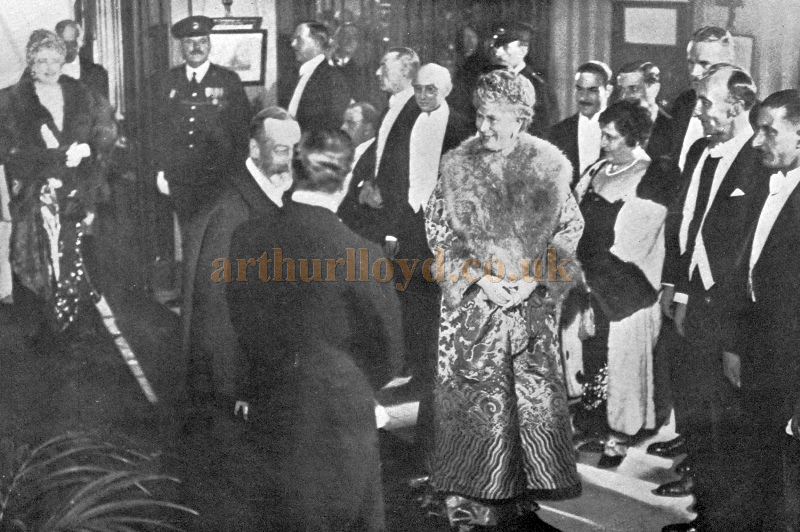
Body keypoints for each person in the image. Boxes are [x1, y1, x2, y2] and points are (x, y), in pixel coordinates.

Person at [424, 69, 583, 530]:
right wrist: (480, 279)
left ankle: (516, 496)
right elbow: (438, 233)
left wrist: (536, 280)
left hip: (529, 310)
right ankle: (469, 502)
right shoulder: (456, 166)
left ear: (522, 118)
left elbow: (570, 230)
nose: (484, 127)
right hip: (473, 310)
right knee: (477, 406)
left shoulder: (550, 164)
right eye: (479, 116)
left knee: (523, 406)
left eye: (495, 118)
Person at [226, 129, 404, 530]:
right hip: (339, 414)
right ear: (345, 181)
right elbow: (391, 353)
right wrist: (351, 382)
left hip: (270, 403)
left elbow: (239, 318)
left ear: (294, 171)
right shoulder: (361, 252)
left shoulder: (248, 237)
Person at [660, 64, 769, 531]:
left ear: (739, 105)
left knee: (727, 427)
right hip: (688, 300)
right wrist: (673, 284)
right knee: (697, 420)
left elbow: (748, 249)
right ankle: (704, 514)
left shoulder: (760, 158)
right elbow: (683, 221)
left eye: (707, 102)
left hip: (726, 313)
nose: (698, 112)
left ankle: (724, 520)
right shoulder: (703, 149)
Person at [181, 107, 300, 433]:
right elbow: (217, 315)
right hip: (239, 392)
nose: (290, 159)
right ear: (253, 149)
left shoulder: (277, 194)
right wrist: (242, 387)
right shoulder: (229, 213)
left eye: (295, 149)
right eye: (280, 149)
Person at [572, 100, 676, 467]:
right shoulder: (596, 170)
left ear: (634, 138)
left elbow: (637, 239)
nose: (603, 143)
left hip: (627, 285)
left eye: (611, 136)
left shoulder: (656, 175)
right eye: (602, 133)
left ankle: (621, 433)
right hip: (589, 279)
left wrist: (593, 269)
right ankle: (594, 425)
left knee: (623, 362)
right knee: (594, 355)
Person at [0, 29, 116, 345]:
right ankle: (42, 330)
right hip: (34, 195)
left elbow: (106, 132)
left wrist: (89, 150)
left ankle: (80, 327)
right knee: (35, 260)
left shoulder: (84, 94)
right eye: (41, 61)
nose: (50, 67)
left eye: (55, 59)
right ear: (30, 63)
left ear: (64, 59)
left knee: (77, 258)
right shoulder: (10, 100)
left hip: (78, 192)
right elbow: (6, 151)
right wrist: (51, 159)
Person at [738, 88, 800, 529]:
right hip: (764, 356)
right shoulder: (768, 183)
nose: (757, 141)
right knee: (762, 473)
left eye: (769, 131)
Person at [151, 15, 251, 226]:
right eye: (190, 42)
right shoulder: (167, 80)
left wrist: (239, 176)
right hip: (180, 177)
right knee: (188, 232)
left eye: (202, 42)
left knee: (216, 235)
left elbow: (242, 131)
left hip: (218, 176)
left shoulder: (228, 80)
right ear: (181, 47)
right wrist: (160, 171)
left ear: (209, 45)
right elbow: (158, 130)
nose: (196, 47)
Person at [671, 27, 736, 171]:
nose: (694, 72)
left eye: (704, 63)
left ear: (729, 64)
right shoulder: (684, 102)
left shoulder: (748, 112)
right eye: (690, 62)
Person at [485, 21, 557, 136]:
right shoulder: (488, 80)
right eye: (497, 47)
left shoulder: (537, 85)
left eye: (505, 47)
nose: (498, 53)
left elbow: (544, 130)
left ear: (523, 50)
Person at [548, 61, 613, 187]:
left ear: (608, 91)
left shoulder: (620, 132)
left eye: (592, 90)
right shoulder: (558, 132)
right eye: (579, 89)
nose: (583, 97)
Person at [288, 21, 352, 131]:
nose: (293, 44)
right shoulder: (296, 75)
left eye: (299, 39)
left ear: (317, 42)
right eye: (293, 39)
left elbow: (332, 124)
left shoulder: (332, 78)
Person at [337, 101, 381, 241]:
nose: (343, 128)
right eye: (343, 122)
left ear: (368, 128)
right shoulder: (347, 152)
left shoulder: (377, 156)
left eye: (350, 123)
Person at [615, 62, 674, 160]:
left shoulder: (672, 129)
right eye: (621, 89)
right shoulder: (612, 126)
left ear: (655, 88)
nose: (624, 96)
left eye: (633, 88)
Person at [54, 20, 109, 99]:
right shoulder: (47, 72)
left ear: (80, 42)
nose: (64, 48)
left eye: (69, 43)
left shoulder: (97, 73)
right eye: (60, 43)